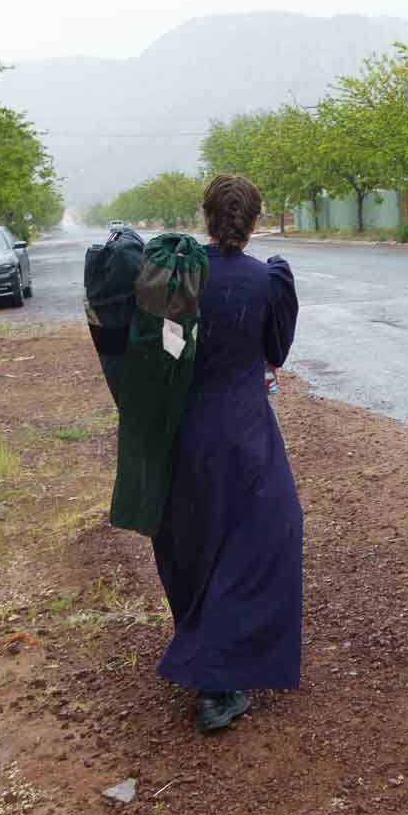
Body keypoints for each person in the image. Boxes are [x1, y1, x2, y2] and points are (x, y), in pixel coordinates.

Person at [150, 175, 304, 731]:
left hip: (188, 433)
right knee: (262, 543)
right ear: (255, 220)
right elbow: (276, 351)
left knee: (197, 543)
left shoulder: (180, 279)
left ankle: (213, 668)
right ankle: (218, 681)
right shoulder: (268, 280)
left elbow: (166, 354)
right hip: (246, 432)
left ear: (206, 217)